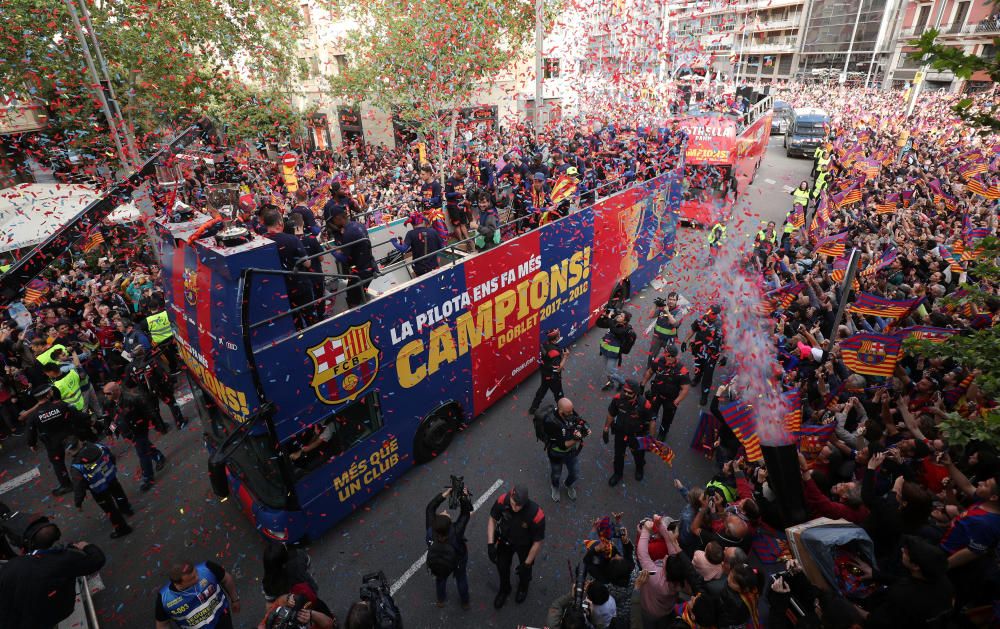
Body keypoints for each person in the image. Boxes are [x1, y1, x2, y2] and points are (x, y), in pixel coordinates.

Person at [0, 521, 106, 629]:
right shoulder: (64, 561)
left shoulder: (12, 565)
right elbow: (97, 560)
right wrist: (87, 546)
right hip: (45, 618)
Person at [861, 536, 954, 629]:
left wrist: (850, 606)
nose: (902, 550)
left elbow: (874, 621)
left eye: (906, 552)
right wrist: (875, 575)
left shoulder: (901, 594)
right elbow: (904, 581)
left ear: (915, 566)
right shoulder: (943, 580)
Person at [487, 484, 545, 608]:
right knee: (502, 566)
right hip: (505, 540)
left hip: (525, 545)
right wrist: (490, 544)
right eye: (513, 503)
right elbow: (492, 519)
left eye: (518, 505)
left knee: (525, 571)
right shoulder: (503, 500)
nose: (514, 508)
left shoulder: (536, 514)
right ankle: (505, 589)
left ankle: (523, 587)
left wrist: (526, 564)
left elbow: (537, 542)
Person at [24, 384, 88, 495]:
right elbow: (77, 415)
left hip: (52, 443)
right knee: (80, 455)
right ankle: (91, 473)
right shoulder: (61, 405)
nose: (52, 392)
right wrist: (89, 421)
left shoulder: (34, 415)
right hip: (69, 438)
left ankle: (66, 485)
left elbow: (30, 431)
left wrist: (32, 444)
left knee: (58, 464)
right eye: (50, 391)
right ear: (48, 395)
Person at [104, 380, 166, 491]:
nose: (105, 396)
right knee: (144, 446)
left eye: (108, 393)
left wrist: (157, 424)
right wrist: (109, 431)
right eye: (105, 393)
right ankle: (158, 456)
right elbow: (111, 418)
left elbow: (147, 411)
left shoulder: (132, 399)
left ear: (116, 391)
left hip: (138, 429)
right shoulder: (109, 403)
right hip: (127, 432)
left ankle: (148, 478)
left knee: (142, 453)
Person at [67, 436, 134, 538]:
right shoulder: (98, 446)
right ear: (80, 442)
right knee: (119, 493)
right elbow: (111, 457)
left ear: (69, 452)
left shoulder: (77, 466)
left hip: (98, 489)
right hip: (111, 477)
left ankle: (122, 528)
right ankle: (126, 509)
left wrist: (78, 502)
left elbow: (78, 485)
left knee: (110, 509)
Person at [261, 206, 314, 327]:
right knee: (310, 317)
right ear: (280, 222)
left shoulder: (260, 241)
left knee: (294, 321)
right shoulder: (292, 239)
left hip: (278, 289)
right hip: (300, 285)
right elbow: (307, 263)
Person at [156, 560, 241, 629]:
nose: (198, 577)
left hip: (222, 618)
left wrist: (235, 599)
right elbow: (163, 625)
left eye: (196, 572)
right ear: (178, 584)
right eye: (192, 578)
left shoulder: (208, 569)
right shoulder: (164, 599)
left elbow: (226, 579)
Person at [425, 485, 472, 609]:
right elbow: (465, 514)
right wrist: (463, 496)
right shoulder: (456, 531)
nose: (445, 511)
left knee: (440, 580)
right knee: (461, 579)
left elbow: (430, 508)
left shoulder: (431, 529)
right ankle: (465, 602)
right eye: (446, 514)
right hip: (457, 560)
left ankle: (441, 600)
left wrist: (445, 494)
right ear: (450, 525)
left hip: (439, 562)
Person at [602, 379, 655, 486]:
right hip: (620, 432)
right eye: (624, 391)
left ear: (636, 392)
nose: (626, 393)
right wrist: (606, 429)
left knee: (638, 455)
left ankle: (639, 469)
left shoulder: (645, 404)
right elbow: (611, 414)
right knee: (618, 455)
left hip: (637, 435)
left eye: (629, 392)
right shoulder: (618, 399)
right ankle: (617, 474)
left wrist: (651, 439)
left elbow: (652, 422)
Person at [325, 202, 376, 308]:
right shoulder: (358, 225)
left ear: (338, 218)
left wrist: (331, 251)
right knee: (360, 295)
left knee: (352, 299)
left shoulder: (348, 233)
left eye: (333, 219)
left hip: (361, 272)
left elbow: (344, 258)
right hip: (370, 267)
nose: (333, 222)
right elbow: (355, 248)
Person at [542, 397, 590, 502]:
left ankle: (568, 484)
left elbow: (580, 421)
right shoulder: (550, 422)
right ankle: (555, 487)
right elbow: (563, 445)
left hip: (571, 453)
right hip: (556, 453)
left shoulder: (569, 412)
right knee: (556, 474)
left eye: (572, 410)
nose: (571, 413)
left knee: (575, 473)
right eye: (568, 412)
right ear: (560, 410)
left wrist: (585, 427)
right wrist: (579, 437)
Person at [641, 344, 691, 440]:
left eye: (673, 356)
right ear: (665, 354)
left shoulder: (681, 370)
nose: (670, 358)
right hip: (656, 394)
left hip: (670, 399)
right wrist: (642, 384)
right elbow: (650, 372)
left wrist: (677, 401)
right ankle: (649, 431)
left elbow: (685, 388)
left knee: (667, 419)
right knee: (651, 414)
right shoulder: (658, 361)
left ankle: (663, 433)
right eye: (668, 355)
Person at [683, 304, 724, 406]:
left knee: (708, 375)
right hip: (699, 350)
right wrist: (685, 341)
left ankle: (704, 395)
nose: (710, 314)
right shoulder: (702, 319)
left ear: (717, 314)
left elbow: (726, 342)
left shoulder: (721, 325)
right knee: (698, 367)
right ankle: (697, 377)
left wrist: (725, 356)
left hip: (712, 354)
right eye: (709, 311)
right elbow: (693, 329)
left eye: (713, 313)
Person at [528, 328, 568, 415]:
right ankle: (563, 412)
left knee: (542, 390)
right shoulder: (554, 352)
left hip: (544, 373)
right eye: (558, 334)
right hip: (553, 377)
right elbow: (558, 368)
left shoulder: (544, 344)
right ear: (556, 337)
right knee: (559, 395)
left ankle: (533, 408)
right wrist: (565, 356)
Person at [259, 587, 337, 629]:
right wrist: (312, 614)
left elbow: (280, 601)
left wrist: (288, 598)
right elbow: (329, 625)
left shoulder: (266, 623)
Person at [392, 213, 443, 277]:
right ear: (423, 222)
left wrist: (394, 241)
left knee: (424, 285)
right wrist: (437, 259)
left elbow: (403, 249)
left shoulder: (410, 234)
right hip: (434, 265)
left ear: (411, 224)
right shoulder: (433, 231)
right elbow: (441, 247)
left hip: (419, 268)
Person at [647, 292, 684, 366]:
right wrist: (655, 305)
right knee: (652, 355)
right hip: (657, 337)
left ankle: (665, 370)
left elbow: (675, 323)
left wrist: (667, 312)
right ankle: (649, 367)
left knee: (668, 356)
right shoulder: (662, 308)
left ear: (676, 301)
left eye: (673, 300)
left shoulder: (679, 311)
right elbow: (650, 316)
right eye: (670, 299)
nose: (671, 301)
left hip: (669, 339)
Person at [599, 311, 631, 391]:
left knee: (610, 371)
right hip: (605, 350)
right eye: (619, 315)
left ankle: (622, 382)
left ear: (625, 321)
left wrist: (609, 318)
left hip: (613, 354)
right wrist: (603, 316)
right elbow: (599, 324)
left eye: (621, 316)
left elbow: (615, 331)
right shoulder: (614, 322)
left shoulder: (625, 328)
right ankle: (611, 383)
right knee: (607, 370)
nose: (619, 316)